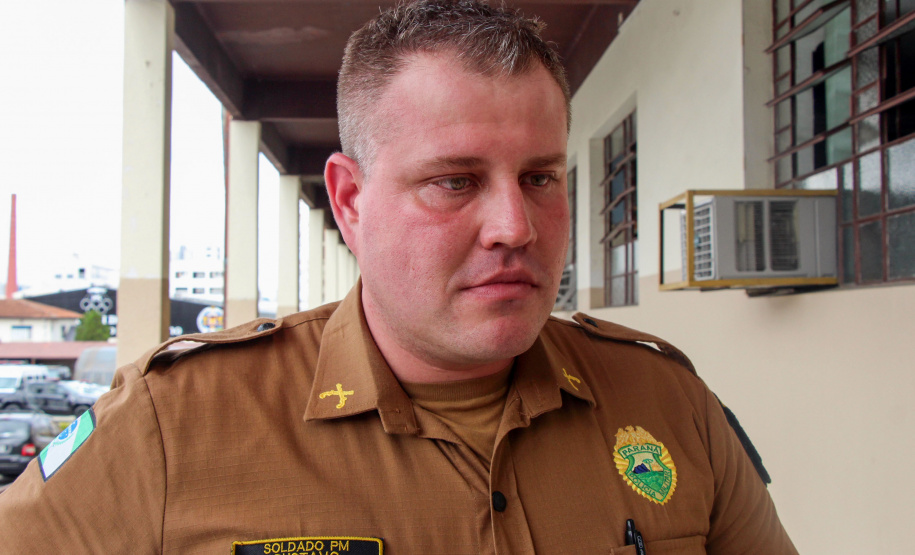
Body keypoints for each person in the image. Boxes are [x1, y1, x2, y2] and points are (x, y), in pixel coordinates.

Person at [0, 1, 798, 553]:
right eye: (454, 181)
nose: (514, 227)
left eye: (540, 177)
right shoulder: (173, 427)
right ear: (348, 200)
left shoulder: (665, 402)